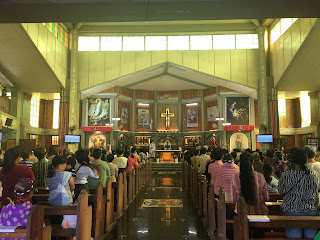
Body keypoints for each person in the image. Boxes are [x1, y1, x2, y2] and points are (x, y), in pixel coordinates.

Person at [278, 149, 320, 239]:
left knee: (294, 238)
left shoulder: (287, 175)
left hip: (292, 211)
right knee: (311, 238)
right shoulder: (315, 174)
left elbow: (281, 190)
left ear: (293, 161)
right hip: (312, 211)